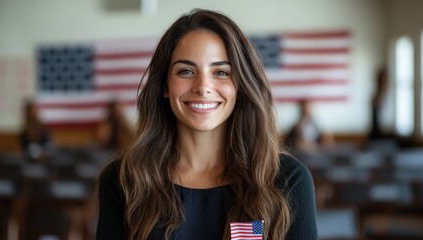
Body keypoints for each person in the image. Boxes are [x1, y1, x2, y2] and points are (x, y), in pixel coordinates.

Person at [96, 9, 317, 240]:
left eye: (221, 72)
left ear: (241, 86)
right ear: (164, 85)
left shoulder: (288, 179)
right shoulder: (122, 181)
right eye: (186, 71)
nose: (203, 87)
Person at [368, 68, 388, 139]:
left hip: (388, 135)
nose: (385, 82)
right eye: (383, 80)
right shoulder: (376, 98)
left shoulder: (389, 96)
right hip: (377, 135)